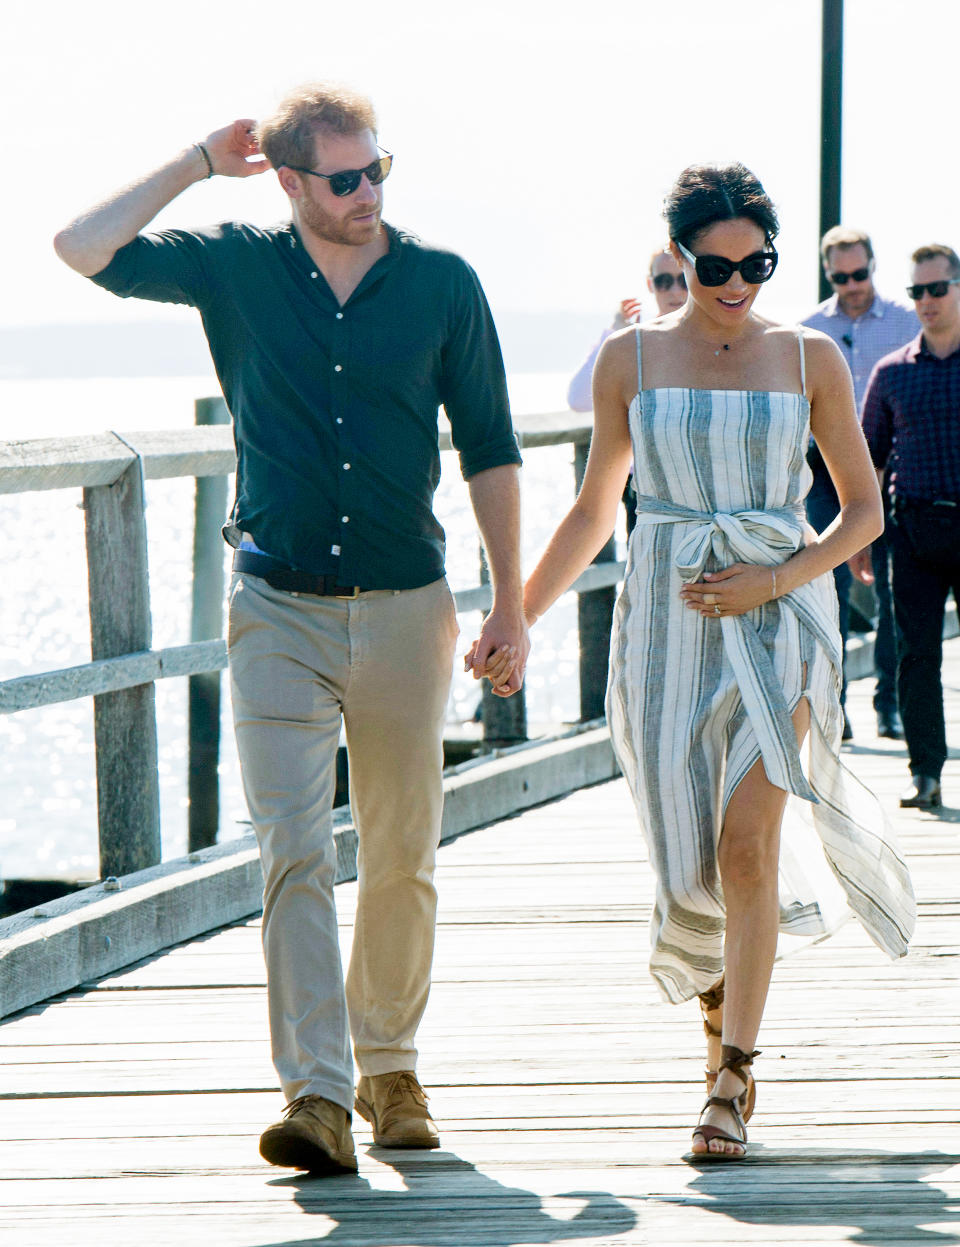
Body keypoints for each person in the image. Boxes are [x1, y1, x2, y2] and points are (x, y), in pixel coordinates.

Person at [54, 83, 529, 1174]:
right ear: (289, 179)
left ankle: (390, 1063)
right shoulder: (236, 263)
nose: (370, 192)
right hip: (274, 609)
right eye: (345, 177)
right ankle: (315, 1092)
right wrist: (191, 160)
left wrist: (509, 602)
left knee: (404, 846)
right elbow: (79, 247)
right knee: (295, 851)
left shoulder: (444, 283)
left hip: (409, 607)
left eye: (379, 169)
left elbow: (492, 447)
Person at [499, 164, 915, 1160]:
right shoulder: (627, 360)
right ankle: (721, 997)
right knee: (690, 861)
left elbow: (864, 508)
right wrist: (516, 614)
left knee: (746, 843)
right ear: (681, 257)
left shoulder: (809, 355)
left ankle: (732, 1078)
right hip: (665, 627)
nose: (738, 283)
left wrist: (775, 583)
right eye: (719, 264)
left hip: (784, 618)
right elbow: (598, 509)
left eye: (759, 263)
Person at [802, 227, 919, 741]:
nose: (851, 285)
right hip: (825, 470)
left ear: (874, 264)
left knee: (894, 588)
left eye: (859, 273)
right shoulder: (807, 330)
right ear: (828, 274)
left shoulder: (908, 321)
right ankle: (836, 704)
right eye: (840, 276)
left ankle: (890, 703)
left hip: (893, 466)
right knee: (830, 583)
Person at [861, 243, 960, 811]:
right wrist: (863, 539)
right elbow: (869, 459)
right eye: (917, 291)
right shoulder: (892, 372)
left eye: (936, 289)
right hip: (913, 530)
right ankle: (926, 773)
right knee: (915, 656)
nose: (925, 301)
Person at [567, 250, 688, 535]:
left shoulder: (715, 339)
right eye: (663, 281)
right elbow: (578, 398)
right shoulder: (632, 342)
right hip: (644, 488)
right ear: (650, 285)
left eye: (683, 279)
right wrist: (616, 331)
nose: (675, 290)